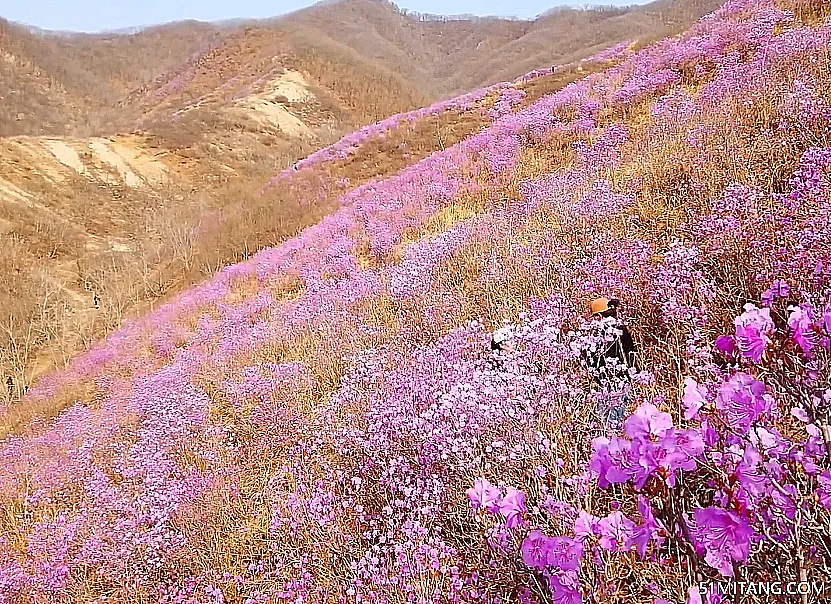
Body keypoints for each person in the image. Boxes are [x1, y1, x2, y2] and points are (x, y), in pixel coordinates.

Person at [585, 297, 637, 424]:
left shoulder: (598, 332)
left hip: (605, 379)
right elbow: (631, 353)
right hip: (623, 378)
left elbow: (591, 358)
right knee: (622, 413)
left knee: (607, 416)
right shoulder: (621, 329)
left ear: (598, 316)